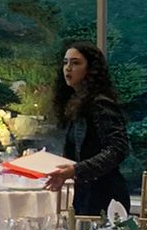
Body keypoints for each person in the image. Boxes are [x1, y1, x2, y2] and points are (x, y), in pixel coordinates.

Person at [43, 41, 131, 217]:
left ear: (90, 69)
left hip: (106, 196)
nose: (68, 68)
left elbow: (118, 149)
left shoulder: (100, 104)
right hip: (86, 192)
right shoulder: (77, 104)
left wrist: (76, 170)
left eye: (75, 63)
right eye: (65, 62)